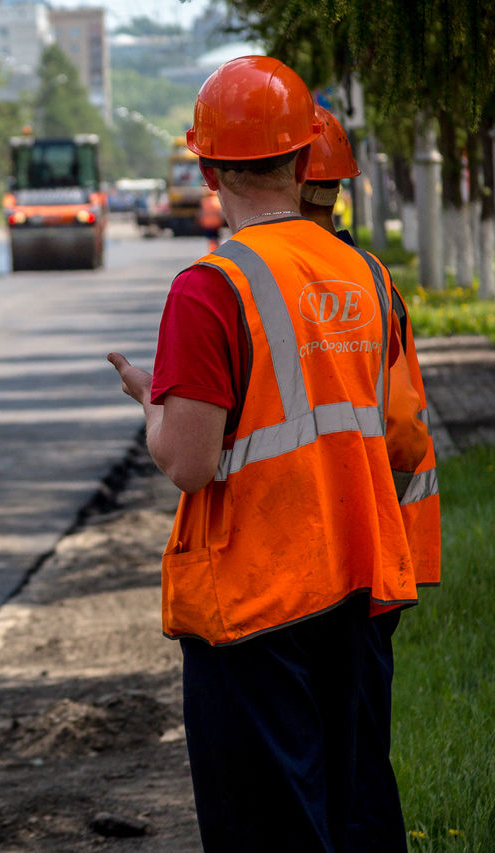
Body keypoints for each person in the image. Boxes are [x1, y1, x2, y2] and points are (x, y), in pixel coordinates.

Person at [106, 56, 419, 853]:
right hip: (352, 582)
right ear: (301, 157)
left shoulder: (211, 288)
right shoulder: (366, 274)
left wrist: (153, 405)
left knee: (267, 832)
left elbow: (189, 462)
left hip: (254, 604)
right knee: (346, 814)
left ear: (209, 169)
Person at [302, 104, 441, 852]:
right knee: (359, 760)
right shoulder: (372, 279)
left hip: (313, 561)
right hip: (375, 557)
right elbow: (406, 431)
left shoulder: (273, 282)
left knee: (318, 771)